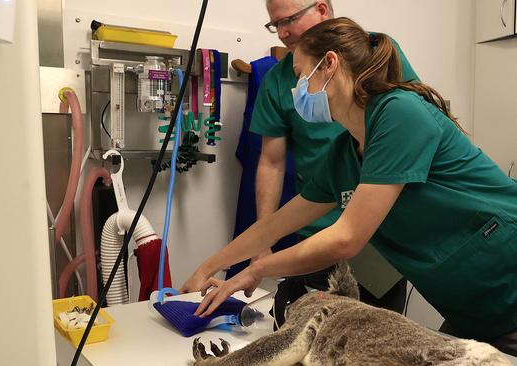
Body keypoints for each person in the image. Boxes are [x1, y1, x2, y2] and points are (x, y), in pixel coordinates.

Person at [182, 17, 517, 356]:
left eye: (300, 76)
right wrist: (206, 267)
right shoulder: (344, 153)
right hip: (471, 307)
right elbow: (274, 225)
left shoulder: (400, 113)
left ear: (329, 64)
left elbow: (346, 238)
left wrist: (258, 270)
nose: (296, 90)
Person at [233, 0, 418, 318]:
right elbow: (271, 163)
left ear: (321, 9)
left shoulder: (379, 60)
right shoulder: (279, 81)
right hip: (315, 226)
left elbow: (410, 125)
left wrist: (259, 263)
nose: (283, 32)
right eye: (275, 24)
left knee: (371, 338)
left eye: (289, 19)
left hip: (377, 234)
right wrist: (260, 245)